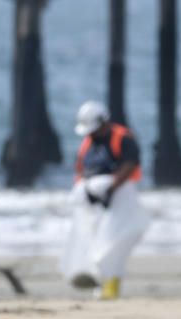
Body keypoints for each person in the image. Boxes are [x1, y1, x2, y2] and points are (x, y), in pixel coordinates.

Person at [60, 100, 148, 300]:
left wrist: (111, 187)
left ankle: (111, 286)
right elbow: (81, 169)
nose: (91, 133)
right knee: (93, 240)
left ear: (103, 121)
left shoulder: (123, 138)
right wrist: (86, 191)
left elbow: (130, 164)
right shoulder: (88, 142)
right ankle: (95, 279)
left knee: (113, 243)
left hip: (122, 196)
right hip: (95, 199)